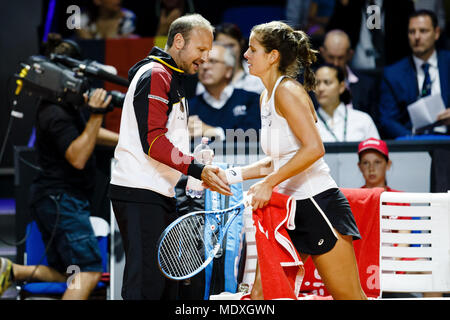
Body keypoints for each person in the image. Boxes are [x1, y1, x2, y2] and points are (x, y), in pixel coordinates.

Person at [223, 21, 366, 300]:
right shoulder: (266, 96)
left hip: (317, 205)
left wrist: (269, 183)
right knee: (261, 297)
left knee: (350, 298)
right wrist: (231, 175)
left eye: (253, 50)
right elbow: (279, 160)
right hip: (288, 212)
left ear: (273, 56)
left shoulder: (287, 91)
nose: (246, 55)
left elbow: (314, 149)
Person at [108, 14, 232, 300]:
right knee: (146, 286)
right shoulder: (157, 74)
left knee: (164, 287)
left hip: (156, 192)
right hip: (139, 192)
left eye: (208, 52)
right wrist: (196, 169)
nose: (204, 58)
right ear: (178, 41)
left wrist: (192, 169)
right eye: (200, 50)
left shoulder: (170, 76)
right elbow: (153, 142)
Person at [0, 84, 119, 300]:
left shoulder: (62, 108)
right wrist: (97, 113)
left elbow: (87, 135)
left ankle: (13, 271)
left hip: (56, 198)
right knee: (88, 272)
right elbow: (78, 157)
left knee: (70, 273)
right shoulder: (54, 111)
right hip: (61, 199)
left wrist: (127, 141)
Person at [379, 9, 450, 138]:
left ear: (437, 33)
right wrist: (411, 139)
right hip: (412, 142)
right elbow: (387, 120)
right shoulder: (393, 74)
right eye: (412, 32)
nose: (417, 37)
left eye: (423, 31)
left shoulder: (448, 63)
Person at [188, 42, 261, 140]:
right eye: (202, 62)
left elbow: (254, 135)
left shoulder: (252, 100)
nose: (205, 67)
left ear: (228, 71)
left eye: (213, 61)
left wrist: (212, 132)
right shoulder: (188, 107)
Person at [327, 0, 415, 70]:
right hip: (357, 73)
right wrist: (343, 6)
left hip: (392, 71)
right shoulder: (350, 5)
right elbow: (333, 34)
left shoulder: (402, 4)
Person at [319, 29, 381, 119]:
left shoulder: (367, 85)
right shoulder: (308, 84)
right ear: (322, 53)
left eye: (340, 58)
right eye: (331, 57)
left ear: (350, 55)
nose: (335, 63)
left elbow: (374, 122)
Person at [315, 64, 380, 142]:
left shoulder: (363, 120)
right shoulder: (306, 122)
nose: (321, 88)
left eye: (327, 82)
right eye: (317, 83)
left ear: (342, 87)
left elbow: (376, 153)